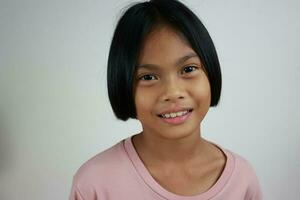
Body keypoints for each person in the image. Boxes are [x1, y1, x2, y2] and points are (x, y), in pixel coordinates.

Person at [69, 0, 263, 199]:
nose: (172, 92)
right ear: (122, 83)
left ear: (210, 71)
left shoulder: (242, 179)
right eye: (148, 77)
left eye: (188, 69)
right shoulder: (94, 184)